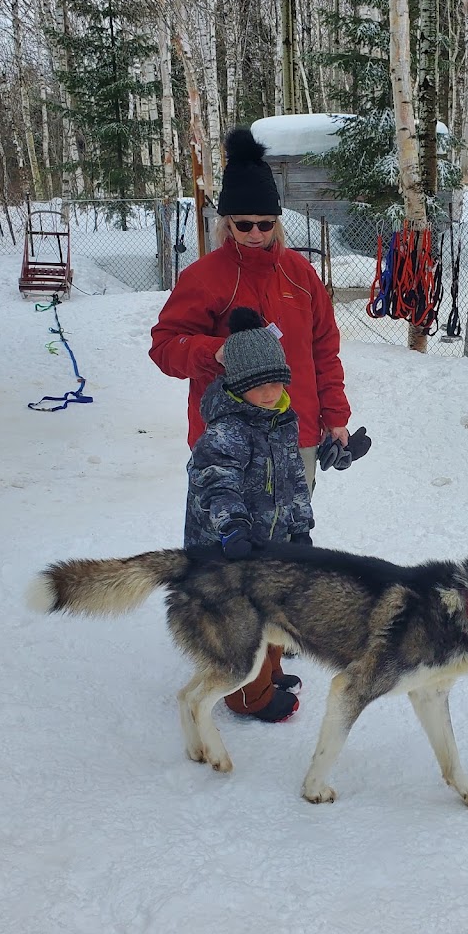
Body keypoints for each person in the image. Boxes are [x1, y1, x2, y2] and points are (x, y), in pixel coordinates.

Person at [150, 125, 351, 720]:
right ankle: (243, 682)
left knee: (285, 554)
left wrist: (335, 419)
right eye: (244, 225)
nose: (257, 235)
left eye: (266, 223)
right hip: (232, 441)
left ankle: (269, 660)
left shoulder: (300, 276)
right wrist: (215, 351)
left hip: (298, 436)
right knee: (235, 562)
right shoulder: (206, 277)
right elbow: (165, 346)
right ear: (225, 224)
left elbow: (325, 351)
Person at [184, 307, 313, 722]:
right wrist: (233, 528)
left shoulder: (281, 421)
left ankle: (269, 672)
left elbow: (294, 478)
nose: (272, 392)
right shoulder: (227, 431)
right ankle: (247, 696)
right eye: (260, 386)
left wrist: (299, 528)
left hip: (268, 546)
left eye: (277, 382)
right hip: (228, 549)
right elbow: (216, 483)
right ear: (237, 385)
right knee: (240, 621)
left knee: (272, 607)